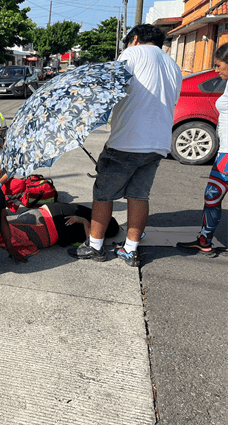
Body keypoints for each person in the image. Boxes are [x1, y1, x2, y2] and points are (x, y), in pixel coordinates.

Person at [69, 24, 182, 267]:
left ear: (136, 39)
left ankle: (95, 246)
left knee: (103, 194)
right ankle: (130, 251)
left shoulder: (132, 54)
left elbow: (111, 89)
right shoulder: (173, 65)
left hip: (126, 142)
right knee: (139, 195)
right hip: (158, 144)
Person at [177, 43, 228, 256]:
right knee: (212, 195)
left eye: (219, 65)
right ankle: (204, 240)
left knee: (212, 195)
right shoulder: (227, 83)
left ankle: (205, 239)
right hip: (224, 152)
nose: (216, 70)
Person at [7, 202, 120, 254]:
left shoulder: (87, 214)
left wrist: (83, 220)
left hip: (45, 216)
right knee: (8, 229)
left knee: (6, 227)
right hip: (48, 223)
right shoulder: (90, 219)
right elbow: (93, 242)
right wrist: (83, 221)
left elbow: (92, 241)